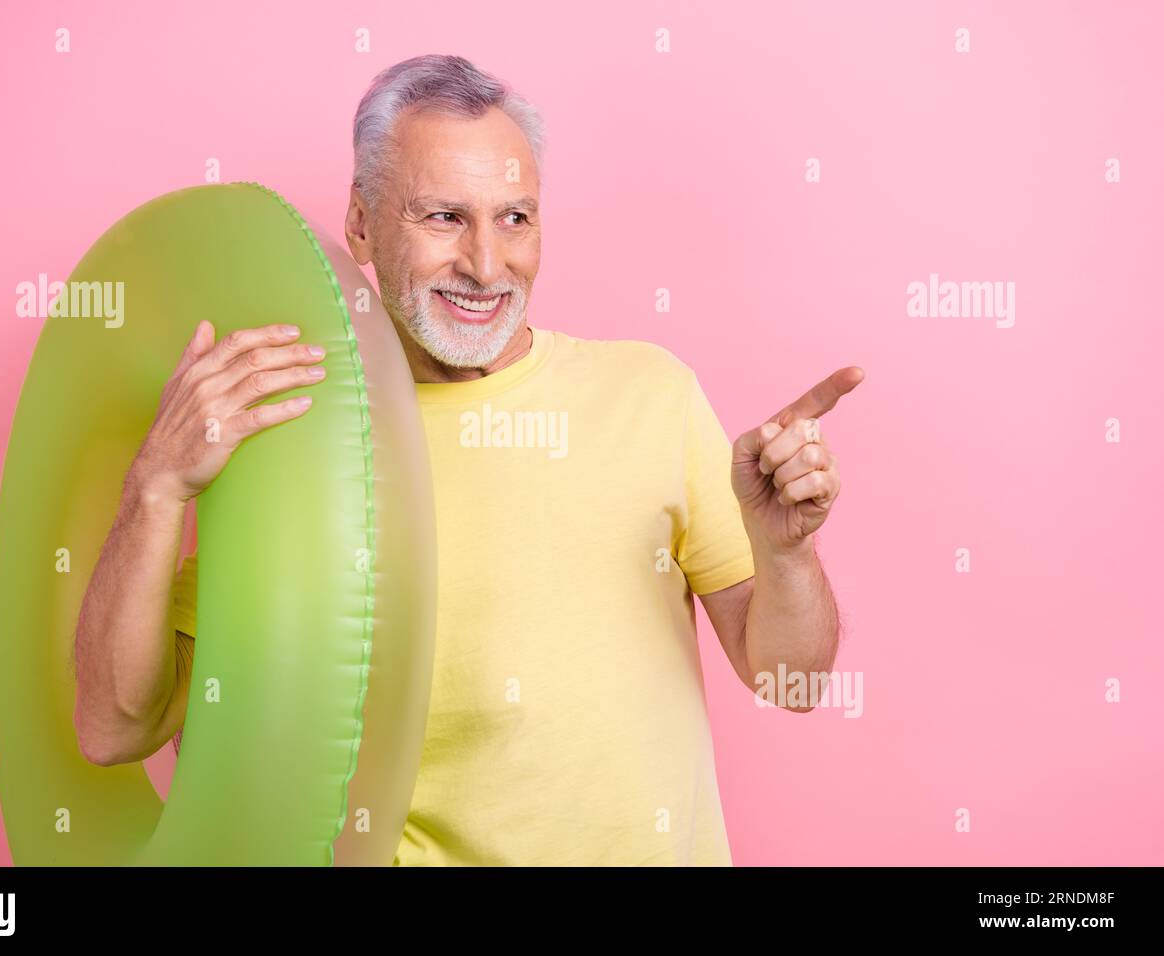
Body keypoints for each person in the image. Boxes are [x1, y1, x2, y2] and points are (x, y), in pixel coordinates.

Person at [73, 54, 862, 866]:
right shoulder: (299, 441)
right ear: (361, 224)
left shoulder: (651, 394)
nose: (487, 266)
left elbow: (787, 680)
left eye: (515, 218)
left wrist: (786, 551)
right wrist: (156, 488)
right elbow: (113, 728)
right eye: (445, 216)